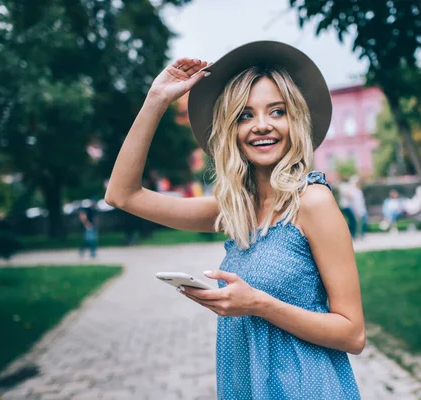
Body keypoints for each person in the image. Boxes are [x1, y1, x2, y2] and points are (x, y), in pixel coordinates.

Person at [105, 41, 365, 399]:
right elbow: (123, 195)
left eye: (277, 111)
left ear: (295, 121)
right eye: (245, 115)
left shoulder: (313, 202)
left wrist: (258, 304)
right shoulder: (235, 211)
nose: (261, 126)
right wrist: (156, 100)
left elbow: (353, 334)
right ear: (230, 131)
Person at [349, 175, 369, 239]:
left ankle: (361, 234)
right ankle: (356, 234)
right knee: (357, 222)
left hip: (361, 208)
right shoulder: (353, 191)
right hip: (356, 209)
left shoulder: (359, 191)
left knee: (363, 222)